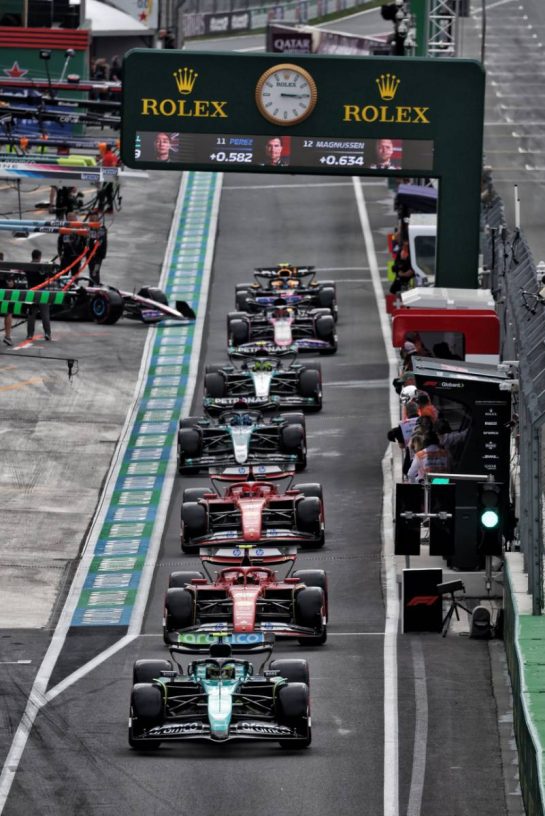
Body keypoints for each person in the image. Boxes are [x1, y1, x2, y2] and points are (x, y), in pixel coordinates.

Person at [26, 249, 52, 341]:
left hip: (31, 292)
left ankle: (30, 334)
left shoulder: (28, 266)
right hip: (42, 292)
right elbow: (48, 276)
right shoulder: (41, 267)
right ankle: (47, 334)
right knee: (45, 314)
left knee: (31, 315)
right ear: (39, 256)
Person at [57, 212, 86, 277]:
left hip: (76, 257)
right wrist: (60, 255)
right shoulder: (64, 230)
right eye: (69, 217)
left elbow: (85, 243)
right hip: (66, 257)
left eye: (72, 217)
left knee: (75, 276)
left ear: (76, 218)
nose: (70, 219)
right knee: (63, 275)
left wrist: (82, 254)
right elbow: (59, 243)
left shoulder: (80, 230)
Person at [1, 251, 14, 346]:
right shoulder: (6, 268)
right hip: (4, 296)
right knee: (8, 314)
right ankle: (8, 336)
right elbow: (11, 284)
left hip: (4, 296)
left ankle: (8, 337)